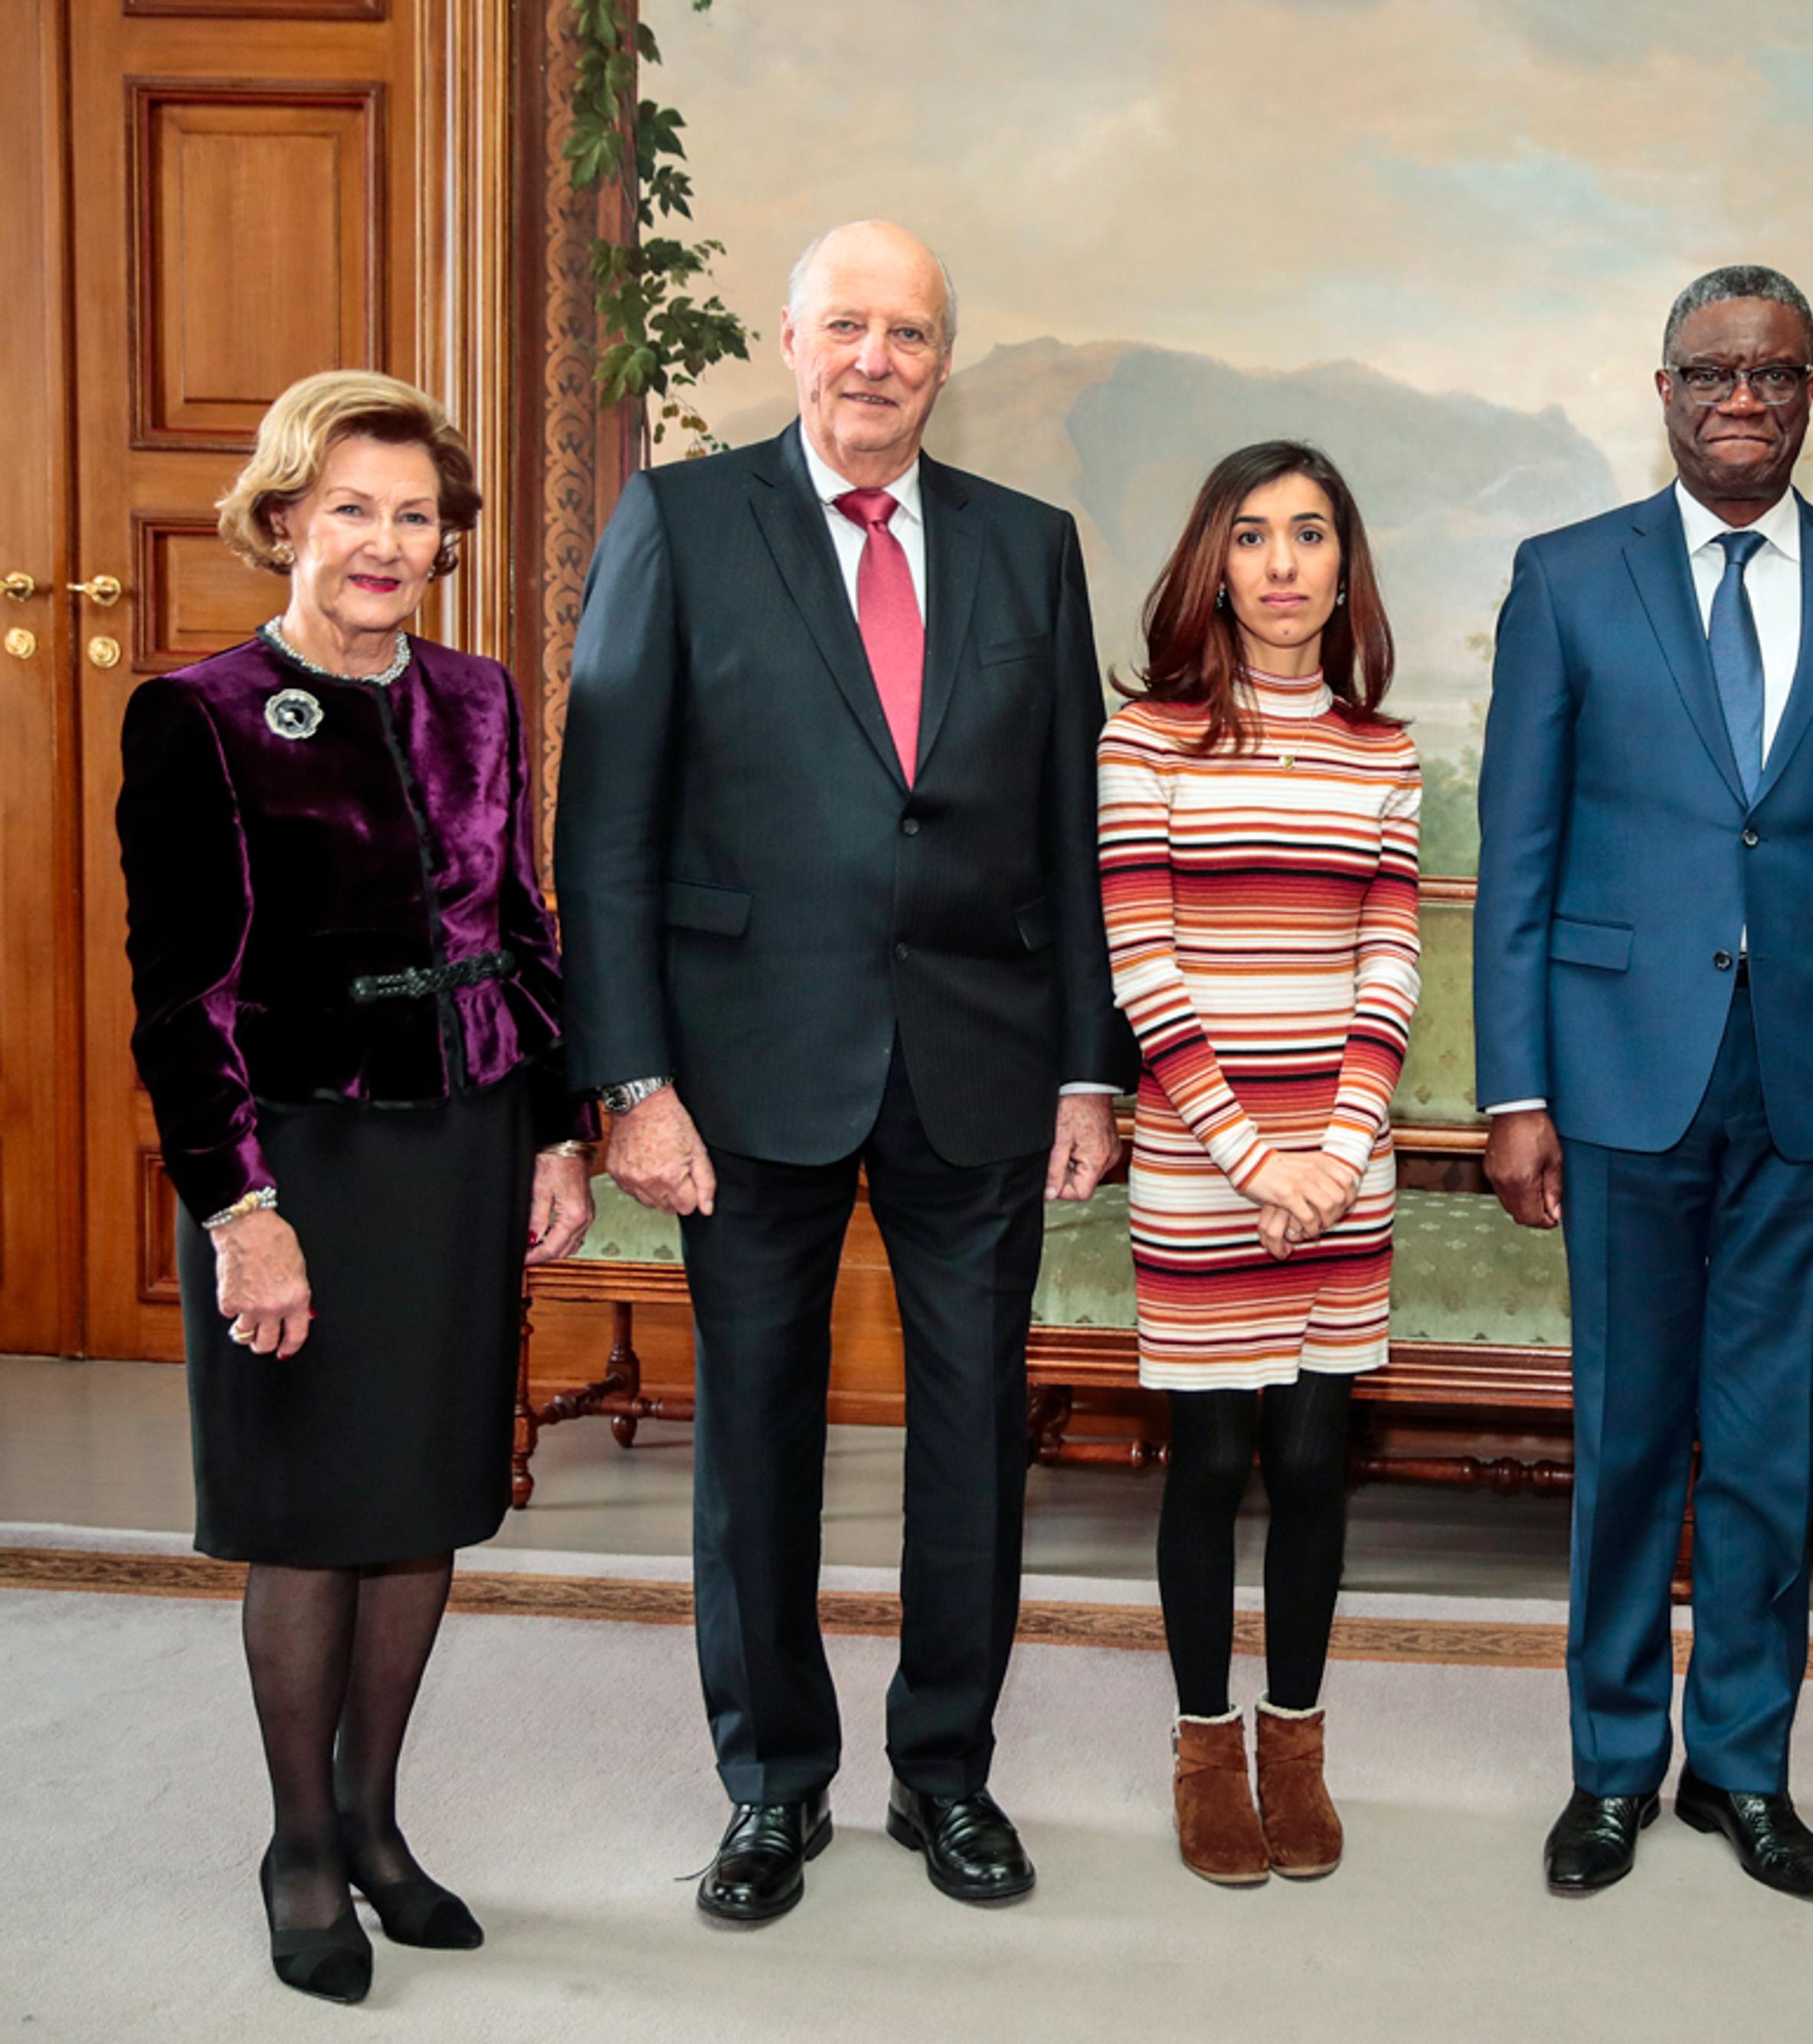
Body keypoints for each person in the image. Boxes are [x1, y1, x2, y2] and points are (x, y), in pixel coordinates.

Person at [555, 220, 1133, 1924]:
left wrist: (1089, 1067)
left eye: (912, 332)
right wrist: (630, 1078)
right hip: (742, 1069)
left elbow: (1072, 830)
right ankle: (772, 1781)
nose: (878, 358)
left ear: (944, 358)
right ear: (791, 340)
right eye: (849, 326)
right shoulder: (679, 521)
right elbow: (605, 827)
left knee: (974, 1435)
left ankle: (946, 1770)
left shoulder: (1029, 546)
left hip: (982, 1061)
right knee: (753, 1433)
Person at [1475, 264, 1813, 1902]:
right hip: (1620, 1077)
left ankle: (1744, 1769)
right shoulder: (1567, 577)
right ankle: (1614, 1767)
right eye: (1711, 372)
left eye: (1772, 371)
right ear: (1666, 390)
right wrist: (1514, 1089)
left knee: (1772, 1444)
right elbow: (1519, 851)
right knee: (1627, 1437)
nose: (1742, 396)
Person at [115, 370, 595, 2004]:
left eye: (414, 515)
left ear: (445, 539)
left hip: (461, 1143)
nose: (386, 543)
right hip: (296, 1159)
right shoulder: (200, 713)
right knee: (314, 1511)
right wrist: (239, 1213)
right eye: (350, 510)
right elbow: (180, 1000)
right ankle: (302, 1843)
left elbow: (520, 924)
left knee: (421, 1499)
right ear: (284, 521)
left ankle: (381, 1822)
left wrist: (554, 1129)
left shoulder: (479, 697)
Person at [1097, 441, 1421, 1885]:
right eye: (1250, 534)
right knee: (1211, 1459)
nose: (1282, 562)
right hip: (1198, 1160)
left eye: (1309, 533)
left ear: (1345, 568)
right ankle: (1203, 1750)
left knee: (1309, 1461)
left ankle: (1296, 1746)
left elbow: (1391, 961)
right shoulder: (1144, 740)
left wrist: (1337, 1153)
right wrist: (1250, 1160)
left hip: (1344, 1163)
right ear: (1212, 566)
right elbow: (1143, 968)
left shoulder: (1383, 751)